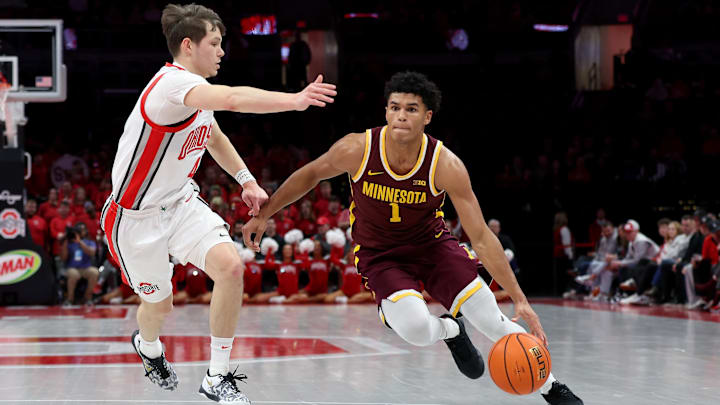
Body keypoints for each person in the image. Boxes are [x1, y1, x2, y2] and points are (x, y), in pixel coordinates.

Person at [243, 71, 582, 404]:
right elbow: (311, 174)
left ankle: (552, 389)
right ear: (386, 111)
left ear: (427, 116)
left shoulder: (445, 163)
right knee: (417, 330)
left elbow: (479, 234)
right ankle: (451, 331)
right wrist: (264, 213)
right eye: (394, 107)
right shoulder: (358, 148)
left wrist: (519, 297)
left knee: (491, 319)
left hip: (434, 247)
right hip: (380, 255)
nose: (400, 116)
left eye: (411, 109)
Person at [102, 4, 336, 403]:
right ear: (189, 46)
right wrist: (295, 101)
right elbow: (231, 98)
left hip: (180, 205)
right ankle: (149, 345)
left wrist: (245, 179)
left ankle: (218, 376)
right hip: (135, 219)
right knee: (159, 308)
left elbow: (212, 134)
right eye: (215, 43)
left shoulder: (196, 96)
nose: (222, 51)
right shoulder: (170, 85)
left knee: (230, 266)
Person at [60, 222, 99, 306]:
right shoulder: (69, 243)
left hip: (86, 268)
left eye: (82, 230)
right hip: (73, 268)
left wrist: (80, 242)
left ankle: (87, 298)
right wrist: (65, 242)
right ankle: (70, 299)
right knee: (74, 274)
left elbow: (92, 253)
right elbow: (63, 258)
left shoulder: (89, 242)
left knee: (94, 272)